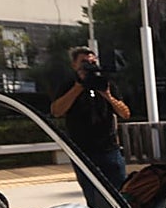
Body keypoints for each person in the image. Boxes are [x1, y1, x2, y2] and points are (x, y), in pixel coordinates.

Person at [51, 46, 131, 197]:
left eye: (92, 62)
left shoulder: (106, 84)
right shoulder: (68, 85)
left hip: (110, 149)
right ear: (74, 65)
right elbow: (56, 111)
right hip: (83, 152)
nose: (88, 66)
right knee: (92, 194)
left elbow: (125, 113)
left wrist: (107, 96)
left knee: (121, 193)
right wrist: (78, 87)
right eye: (83, 63)